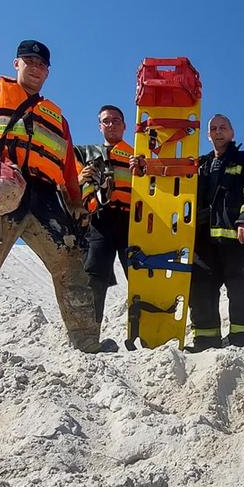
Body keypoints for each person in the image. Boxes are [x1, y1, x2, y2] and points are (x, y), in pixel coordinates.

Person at [0, 40, 102, 353]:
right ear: (17, 64)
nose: (35, 68)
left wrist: (77, 203)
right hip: (4, 185)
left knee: (70, 266)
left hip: (48, 198)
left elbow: (67, 167)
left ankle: (87, 346)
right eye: (29, 61)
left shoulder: (57, 118)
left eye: (41, 64)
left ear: (47, 72)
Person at [188, 114, 244, 351]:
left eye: (223, 127)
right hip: (204, 243)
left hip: (239, 242)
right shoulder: (200, 165)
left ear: (232, 132)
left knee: (240, 292)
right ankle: (206, 342)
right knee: (201, 293)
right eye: (213, 128)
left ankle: (241, 341)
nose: (218, 131)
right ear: (208, 135)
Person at [74, 105, 134, 341]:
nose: (111, 125)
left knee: (140, 276)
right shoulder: (85, 153)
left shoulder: (137, 155)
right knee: (94, 276)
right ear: (100, 126)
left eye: (116, 121)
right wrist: (80, 179)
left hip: (132, 221)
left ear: (124, 125)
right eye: (106, 121)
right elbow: (65, 180)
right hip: (99, 220)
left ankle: (148, 334)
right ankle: (89, 335)